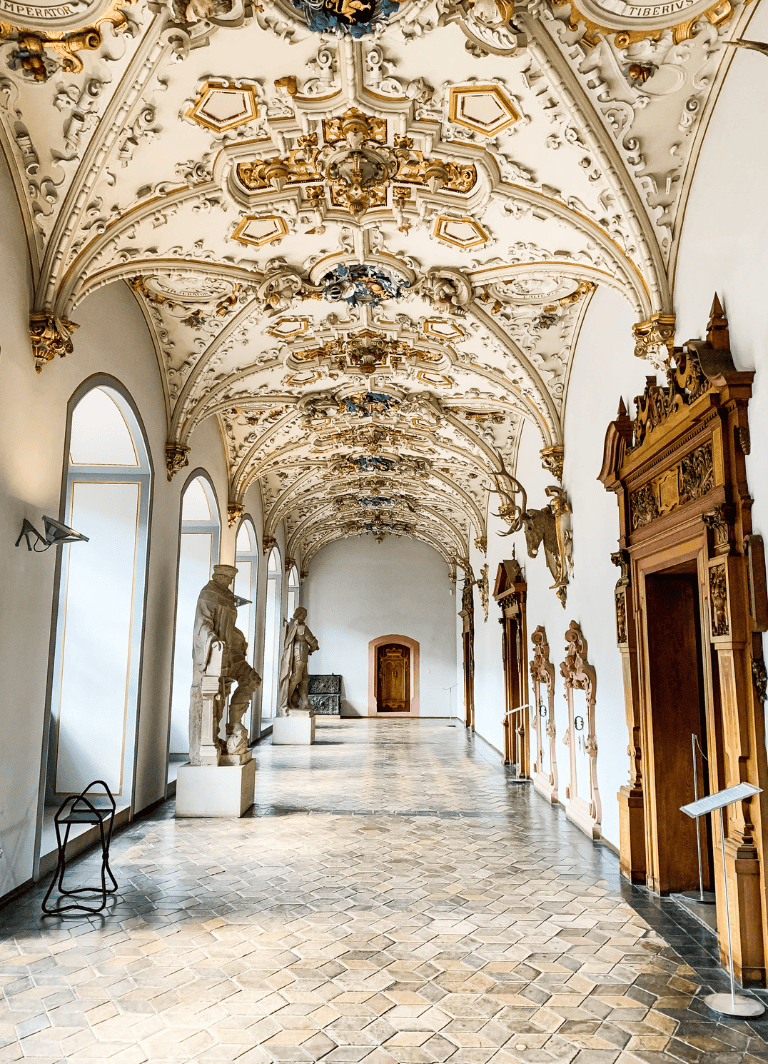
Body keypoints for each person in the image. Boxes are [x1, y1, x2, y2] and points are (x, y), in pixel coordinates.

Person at [189, 564, 238, 765]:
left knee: (221, 695)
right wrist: (212, 639)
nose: (229, 583)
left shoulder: (227, 597)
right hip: (212, 654)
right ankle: (202, 742)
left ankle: (214, 733)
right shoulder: (208, 593)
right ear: (218, 576)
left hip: (223, 654)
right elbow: (202, 624)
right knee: (208, 695)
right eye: (227, 579)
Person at [277, 607, 319, 714]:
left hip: (301, 654)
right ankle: (287, 699)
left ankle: (305, 702)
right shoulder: (302, 628)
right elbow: (312, 641)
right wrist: (313, 647)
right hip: (300, 654)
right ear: (299, 614)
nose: (305, 616)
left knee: (304, 678)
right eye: (303, 614)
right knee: (297, 677)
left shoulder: (293, 626)